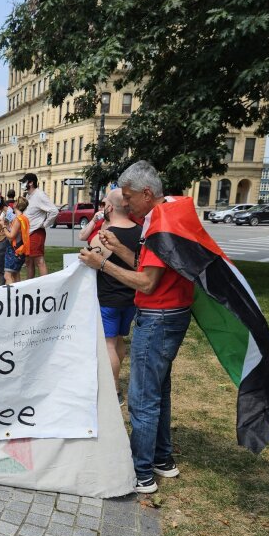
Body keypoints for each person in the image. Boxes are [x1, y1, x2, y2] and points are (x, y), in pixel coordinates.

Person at [79, 161, 194, 494]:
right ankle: (162, 459)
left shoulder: (159, 225)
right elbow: (151, 266)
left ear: (147, 193)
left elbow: (145, 282)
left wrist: (101, 263)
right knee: (160, 391)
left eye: (128, 197)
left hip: (158, 317)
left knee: (142, 397)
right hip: (173, 312)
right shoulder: (170, 213)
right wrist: (118, 250)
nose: (125, 204)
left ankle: (140, 473)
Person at [83, 188, 142, 405]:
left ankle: (113, 389)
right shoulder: (141, 231)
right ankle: (114, 382)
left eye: (105, 202)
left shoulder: (106, 235)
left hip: (108, 298)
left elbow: (87, 257)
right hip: (131, 297)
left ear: (109, 207)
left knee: (108, 344)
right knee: (118, 340)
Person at [18, 172, 58, 278]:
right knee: (28, 261)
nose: (22, 184)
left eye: (24, 182)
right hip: (27, 233)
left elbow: (54, 210)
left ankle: (44, 285)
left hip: (36, 232)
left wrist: (45, 224)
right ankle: (30, 285)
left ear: (31, 183)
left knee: (39, 260)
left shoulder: (39, 195)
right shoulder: (28, 196)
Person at [0, 196, 30, 284]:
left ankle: (11, 296)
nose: (14, 203)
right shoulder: (24, 218)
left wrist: (3, 225)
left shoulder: (18, 219)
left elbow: (11, 236)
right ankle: (18, 295)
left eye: (16, 201)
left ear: (17, 204)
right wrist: (8, 225)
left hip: (14, 251)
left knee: (7, 275)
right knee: (16, 274)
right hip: (21, 250)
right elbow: (18, 233)